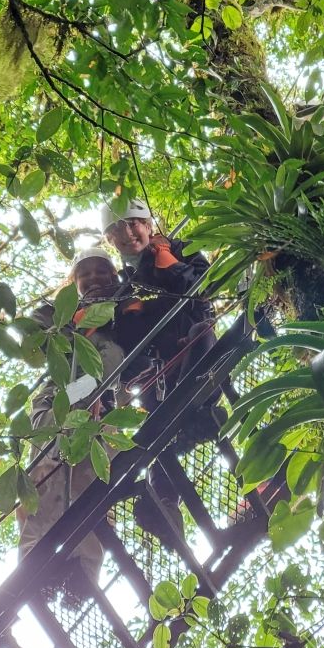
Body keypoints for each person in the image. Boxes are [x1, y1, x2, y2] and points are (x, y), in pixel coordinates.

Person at [100, 199, 227, 551]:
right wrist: (135, 313)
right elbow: (128, 339)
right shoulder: (125, 285)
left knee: (202, 333)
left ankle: (162, 497)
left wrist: (170, 265)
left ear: (148, 223)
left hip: (196, 353)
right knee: (174, 419)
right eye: (118, 230)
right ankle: (163, 502)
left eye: (134, 223)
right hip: (162, 376)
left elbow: (204, 288)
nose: (128, 233)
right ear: (110, 240)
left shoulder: (181, 250)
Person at [16, 248, 124, 593]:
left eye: (101, 272)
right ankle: (34, 575)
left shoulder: (123, 312)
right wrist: (71, 322)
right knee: (45, 484)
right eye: (85, 274)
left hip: (102, 410)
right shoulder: (61, 315)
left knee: (92, 493)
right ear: (73, 283)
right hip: (61, 398)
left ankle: (83, 579)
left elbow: (124, 358)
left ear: (114, 277)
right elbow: (34, 331)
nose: (94, 278)